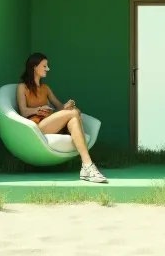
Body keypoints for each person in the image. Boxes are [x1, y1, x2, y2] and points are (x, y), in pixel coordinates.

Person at [16, 52, 108, 184]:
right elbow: (23, 112)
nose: (48, 69)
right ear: (34, 67)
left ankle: (87, 165)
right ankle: (88, 167)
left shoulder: (45, 88)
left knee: (74, 115)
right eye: (44, 66)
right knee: (74, 114)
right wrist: (39, 109)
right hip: (37, 126)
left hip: (51, 122)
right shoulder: (22, 87)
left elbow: (60, 108)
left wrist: (67, 106)